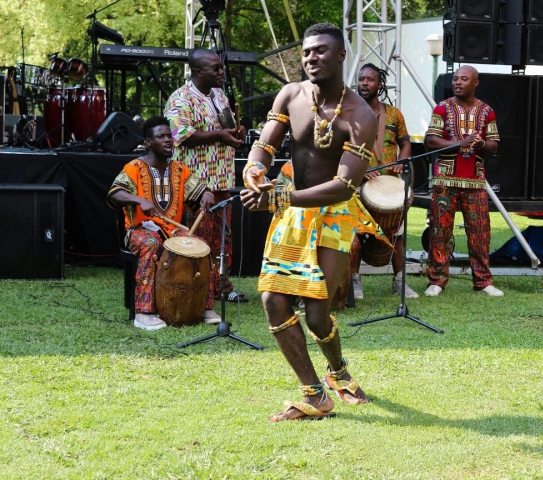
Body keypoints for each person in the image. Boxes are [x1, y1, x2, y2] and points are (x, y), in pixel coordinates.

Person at [240, 23, 382, 421]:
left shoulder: (361, 115)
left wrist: (279, 197)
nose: (310, 58)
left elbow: (343, 186)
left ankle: (339, 372)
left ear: (341, 56)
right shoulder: (291, 94)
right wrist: (254, 170)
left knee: (318, 313)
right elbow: (264, 146)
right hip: (293, 211)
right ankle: (315, 394)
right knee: (273, 300)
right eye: (306, 52)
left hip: (335, 214)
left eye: (320, 51)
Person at [108, 116, 220, 330]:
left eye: (169, 135)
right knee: (151, 244)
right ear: (148, 142)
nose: (168, 140)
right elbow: (115, 193)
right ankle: (144, 312)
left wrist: (206, 193)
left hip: (173, 231)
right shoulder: (134, 167)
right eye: (161, 136)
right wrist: (139, 200)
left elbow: (198, 191)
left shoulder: (179, 169)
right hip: (139, 231)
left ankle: (205, 307)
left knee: (202, 247)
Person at [164, 48, 248, 303]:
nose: (222, 72)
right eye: (216, 68)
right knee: (198, 236)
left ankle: (222, 286)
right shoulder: (180, 98)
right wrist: (220, 135)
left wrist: (236, 132)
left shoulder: (219, 95)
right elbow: (181, 136)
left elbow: (226, 126)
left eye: (221, 67)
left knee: (222, 237)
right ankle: (198, 287)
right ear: (198, 71)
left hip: (221, 178)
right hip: (195, 183)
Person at [424, 65, 504, 297]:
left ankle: (483, 281)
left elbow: (494, 145)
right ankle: (437, 280)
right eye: (455, 79)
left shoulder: (487, 111)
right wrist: (460, 143)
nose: (457, 82)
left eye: (463, 79)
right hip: (445, 180)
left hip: (475, 182)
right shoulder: (442, 108)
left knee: (480, 232)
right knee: (440, 231)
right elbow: (431, 141)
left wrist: (481, 144)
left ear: (475, 83)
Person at [351, 63, 418, 300]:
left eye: (370, 80)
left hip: (389, 185)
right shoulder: (349, 112)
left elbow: (405, 143)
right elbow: (341, 148)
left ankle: (399, 282)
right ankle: (354, 282)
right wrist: (360, 171)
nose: (364, 83)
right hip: (358, 184)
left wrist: (402, 161)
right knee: (356, 235)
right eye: (361, 79)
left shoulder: (394, 114)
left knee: (397, 235)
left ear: (380, 84)